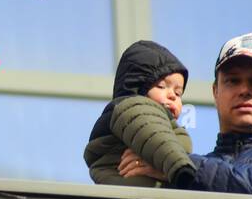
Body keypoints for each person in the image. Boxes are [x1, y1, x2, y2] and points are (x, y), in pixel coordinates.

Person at [117, 32, 252, 199]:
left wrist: (178, 167)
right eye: (233, 80)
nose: (245, 90)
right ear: (216, 92)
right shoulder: (182, 168)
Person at [84, 40, 196, 188]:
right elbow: (158, 137)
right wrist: (180, 167)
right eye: (161, 86)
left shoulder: (166, 128)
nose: (172, 96)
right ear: (137, 88)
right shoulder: (134, 108)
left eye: (178, 92)